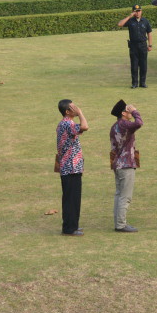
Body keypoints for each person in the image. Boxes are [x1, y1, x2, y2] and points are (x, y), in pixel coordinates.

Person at [56, 99, 89, 236]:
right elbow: (85, 126)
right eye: (72, 107)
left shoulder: (65, 124)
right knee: (71, 199)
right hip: (70, 167)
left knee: (74, 198)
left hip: (72, 167)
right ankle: (69, 228)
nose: (75, 108)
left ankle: (73, 226)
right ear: (67, 111)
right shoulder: (67, 123)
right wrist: (80, 113)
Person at [109, 99, 142, 233]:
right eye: (128, 110)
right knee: (125, 196)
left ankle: (118, 222)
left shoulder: (115, 126)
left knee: (119, 194)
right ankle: (121, 224)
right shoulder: (125, 124)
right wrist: (135, 111)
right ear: (123, 113)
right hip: (126, 164)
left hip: (117, 163)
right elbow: (139, 123)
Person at [117, 5, 152, 88]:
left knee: (143, 65)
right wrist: (129, 16)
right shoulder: (130, 21)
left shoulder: (145, 21)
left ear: (141, 11)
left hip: (143, 45)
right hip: (133, 46)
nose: (137, 13)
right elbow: (120, 24)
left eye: (139, 11)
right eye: (136, 11)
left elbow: (149, 33)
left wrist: (150, 44)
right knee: (134, 66)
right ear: (133, 12)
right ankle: (134, 83)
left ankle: (142, 83)